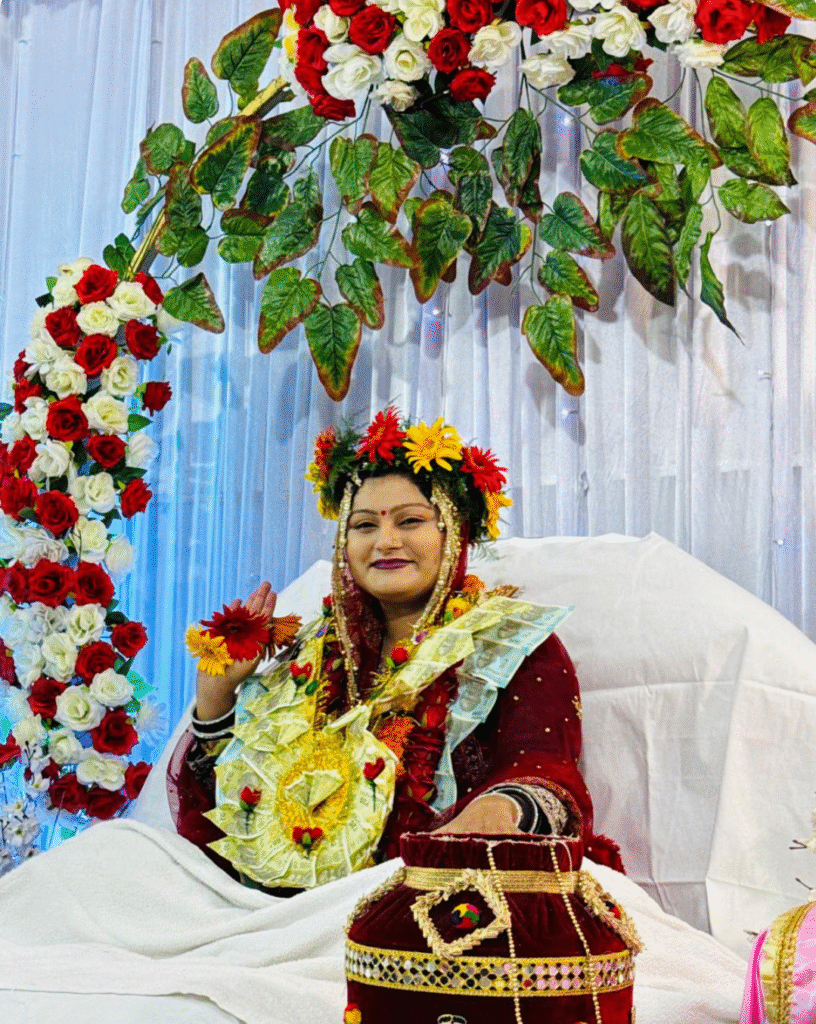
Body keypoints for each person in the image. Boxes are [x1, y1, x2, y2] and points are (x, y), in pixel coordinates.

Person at [167, 408, 618, 892]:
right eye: (364, 526)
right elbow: (232, 814)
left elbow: (542, 766)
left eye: (411, 520)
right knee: (122, 851)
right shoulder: (310, 656)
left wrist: (498, 808)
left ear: (453, 531)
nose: (386, 542)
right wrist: (216, 698)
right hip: (285, 904)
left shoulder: (510, 644)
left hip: (431, 888)